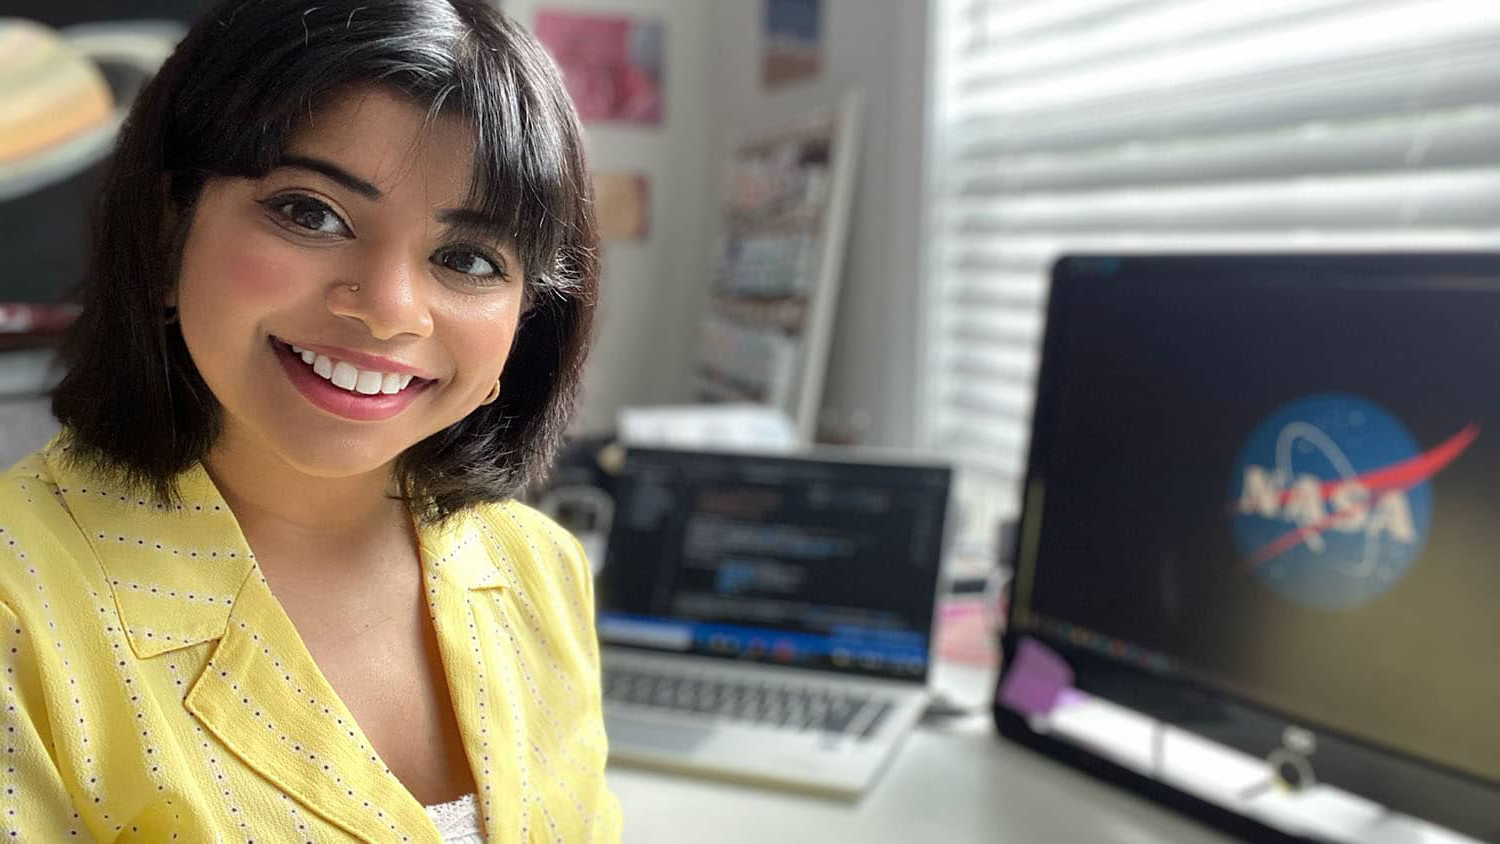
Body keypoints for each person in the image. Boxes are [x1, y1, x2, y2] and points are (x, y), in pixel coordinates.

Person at [0, 1, 619, 840]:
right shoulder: (18, 602)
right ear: (167, 228)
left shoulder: (541, 568)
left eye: (468, 259)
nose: (391, 311)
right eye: (310, 212)